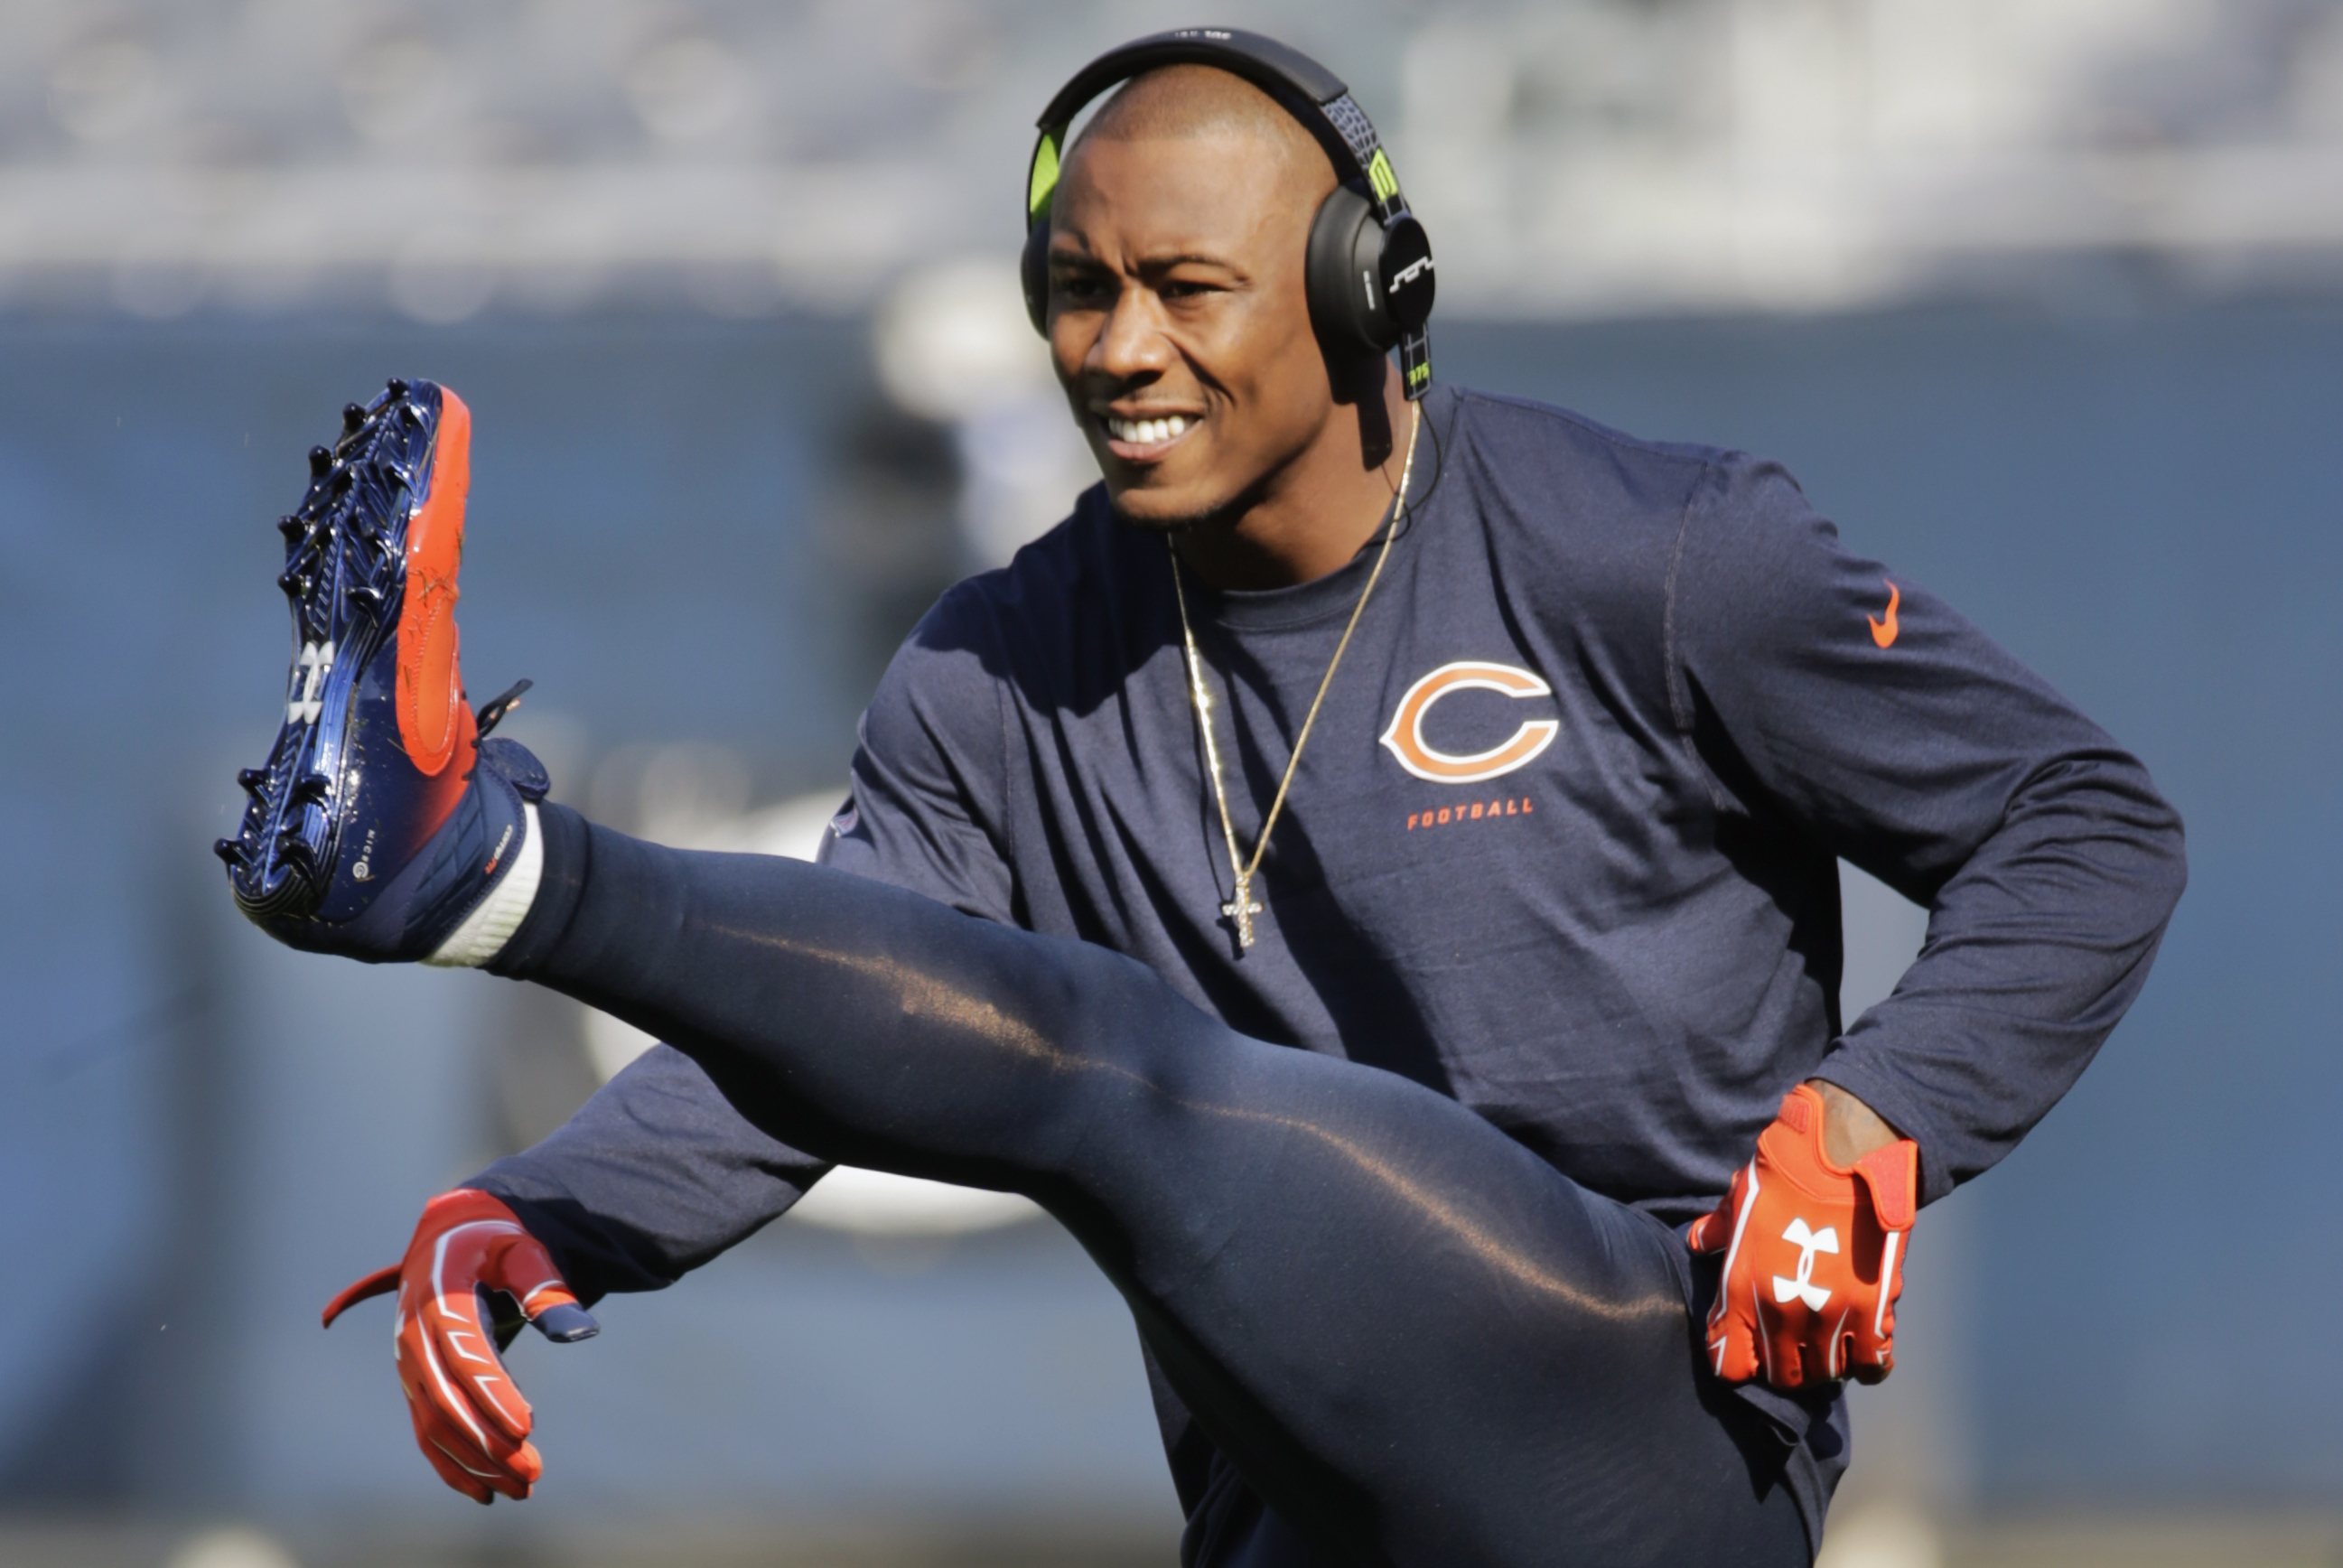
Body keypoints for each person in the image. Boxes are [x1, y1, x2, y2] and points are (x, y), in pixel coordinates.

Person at [221, 33, 2186, 1568]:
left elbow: (2086, 822)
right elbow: (844, 1024)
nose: (1118, 348)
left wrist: (1878, 1113)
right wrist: (545, 1213)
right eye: (1076, 288)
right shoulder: (998, 666)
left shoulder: (1658, 552)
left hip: (1644, 1426)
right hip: (1290, 1503)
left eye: (1185, 286)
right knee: (1048, 1052)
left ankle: (479, 859)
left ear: (1364, 289)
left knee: (1111, 1071)